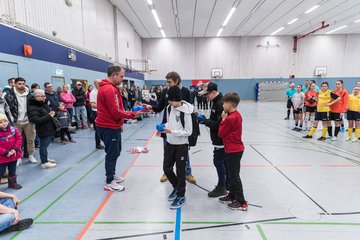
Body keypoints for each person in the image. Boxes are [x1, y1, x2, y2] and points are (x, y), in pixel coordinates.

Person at [143, 71, 196, 184]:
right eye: (167, 82)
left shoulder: (185, 91)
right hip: (167, 125)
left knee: (183, 152)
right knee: (167, 150)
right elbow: (160, 106)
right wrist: (150, 107)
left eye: (169, 82)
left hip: (180, 126)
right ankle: (167, 171)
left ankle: (188, 172)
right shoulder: (165, 91)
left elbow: (190, 108)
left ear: (177, 81)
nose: (167, 84)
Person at [96, 65, 141, 192]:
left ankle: (112, 174)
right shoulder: (109, 89)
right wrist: (132, 115)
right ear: (114, 75)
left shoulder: (108, 87)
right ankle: (109, 181)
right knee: (112, 153)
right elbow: (115, 111)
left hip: (111, 125)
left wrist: (120, 123)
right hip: (108, 126)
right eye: (121, 76)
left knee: (116, 151)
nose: (122, 79)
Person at [161, 85, 193, 209]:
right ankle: (176, 187)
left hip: (181, 146)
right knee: (167, 169)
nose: (169, 102)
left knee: (180, 171)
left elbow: (188, 131)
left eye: (171, 100)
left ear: (177, 99)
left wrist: (172, 132)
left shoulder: (186, 112)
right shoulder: (169, 108)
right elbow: (170, 122)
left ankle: (181, 195)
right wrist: (163, 127)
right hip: (170, 143)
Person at [218, 92, 248, 211]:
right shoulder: (237, 115)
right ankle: (232, 195)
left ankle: (241, 202)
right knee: (231, 174)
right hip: (234, 149)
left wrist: (223, 120)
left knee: (234, 176)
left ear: (229, 104)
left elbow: (221, 133)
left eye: (224, 103)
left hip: (233, 150)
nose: (223, 105)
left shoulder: (230, 118)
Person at [198, 82, 228, 197]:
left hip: (221, 140)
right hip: (218, 138)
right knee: (223, 163)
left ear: (214, 92)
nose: (206, 97)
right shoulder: (215, 102)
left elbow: (219, 125)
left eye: (207, 94)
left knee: (218, 162)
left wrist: (205, 121)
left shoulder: (220, 104)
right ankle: (226, 184)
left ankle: (222, 187)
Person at [5, 77, 37, 164]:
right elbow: (7, 109)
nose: (21, 85)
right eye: (19, 83)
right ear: (15, 84)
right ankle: (18, 157)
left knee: (31, 139)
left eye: (23, 83)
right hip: (16, 122)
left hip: (28, 121)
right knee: (16, 141)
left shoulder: (30, 94)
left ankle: (31, 155)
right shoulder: (9, 95)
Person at [28, 89, 57, 169]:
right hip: (43, 129)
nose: (44, 97)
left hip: (49, 127)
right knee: (43, 145)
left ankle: (45, 158)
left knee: (46, 144)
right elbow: (36, 120)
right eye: (42, 96)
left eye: (44, 96)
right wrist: (49, 116)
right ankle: (44, 162)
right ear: (36, 96)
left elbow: (47, 112)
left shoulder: (42, 104)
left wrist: (53, 113)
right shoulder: (32, 106)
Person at [0, 114, 22, 189]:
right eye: (1, 122)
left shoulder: (13, 129)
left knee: (12, 170)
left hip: (13, 155)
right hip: (2, 157)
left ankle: (12, 183)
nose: (4, 123)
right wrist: (6, 152)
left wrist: (15, 149)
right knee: (1, 171)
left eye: (5, 121)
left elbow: (19, 138)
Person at [89, 79, 104, 149]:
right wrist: (102, 106)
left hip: (102, 112)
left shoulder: (102, 91)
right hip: (96, 113)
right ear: (95, 84)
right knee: (98, 129)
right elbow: (92, 104)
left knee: (103, 129)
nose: (101, 84)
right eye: (99, 83)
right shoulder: (93, 93)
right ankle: (98, 144)